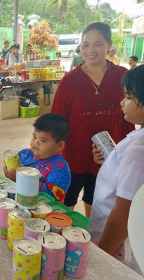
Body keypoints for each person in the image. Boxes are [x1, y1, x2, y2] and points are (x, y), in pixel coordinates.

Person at [51, 22, 134, 218]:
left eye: (97, 44)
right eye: (85, 45)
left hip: (110, 158)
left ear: (109, 45)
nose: (90, 50)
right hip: (73, 157)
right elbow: (57, 121)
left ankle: (92, 244)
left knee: (97, 207)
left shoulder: (123, 76)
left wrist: (126, 154)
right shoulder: (70, 81)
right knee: (64, 207)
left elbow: (129, 121)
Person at [90, 65, 144, 276]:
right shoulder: (137, 140)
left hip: (115, 245)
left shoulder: (138, 149)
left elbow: (124, 212)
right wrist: (110, 163)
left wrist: (101, 256)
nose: (122, 102)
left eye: (129, 98)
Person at [3, 113, 71, 202]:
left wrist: (23, 180)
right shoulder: (25, 154)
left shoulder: (60, 169)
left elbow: (53, 197)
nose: (36, 142)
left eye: (43, 140)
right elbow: (11, 176)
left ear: (59, 145)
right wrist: (9, 172)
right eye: (34, 137)